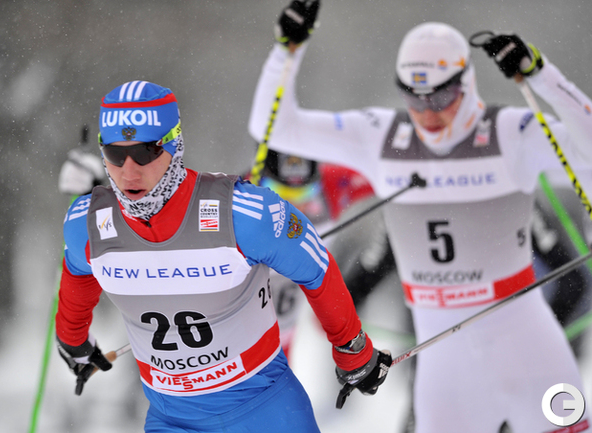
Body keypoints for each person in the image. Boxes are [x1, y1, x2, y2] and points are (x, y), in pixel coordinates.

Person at [249, 1, 592, 431]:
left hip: (525, 343)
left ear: (466, 82)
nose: (428, 112)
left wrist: (540, 75)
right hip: (441, 358)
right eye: (413, 96)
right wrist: (287, 50)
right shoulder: (381, 136)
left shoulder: (508, 132)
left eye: (441, 97)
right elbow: (274, 127)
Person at [54, 80, 392, 432]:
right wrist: (74, 341)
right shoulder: (86, 223)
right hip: (173, 419)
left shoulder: (244, 213)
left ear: (173, 145)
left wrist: (353, 350)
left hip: (264, 410)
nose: (129, 171)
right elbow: (77, 273)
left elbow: (316, 267)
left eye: (145, 153)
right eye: (114, 154)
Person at [243, 148, 396, 358]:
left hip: (284, 328)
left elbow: (390, 175)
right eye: (279, 193)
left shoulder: (332, 187)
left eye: (304, 193)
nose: (292, 205)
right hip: (239, 326)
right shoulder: (238, 199)